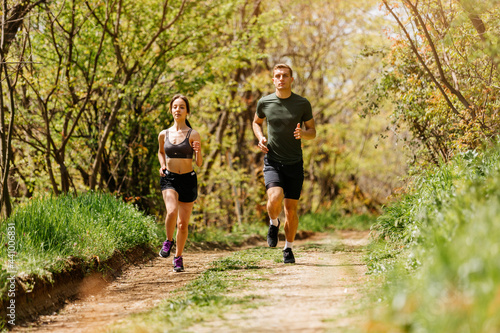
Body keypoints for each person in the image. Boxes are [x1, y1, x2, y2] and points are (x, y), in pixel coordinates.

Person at [252, 64, 316, 264]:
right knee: (275, 196)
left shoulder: (302, 104)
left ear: (291, 79)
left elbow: (312, 131)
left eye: (285, 76)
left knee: (291, 210)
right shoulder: (265, 102)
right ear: (273, 80)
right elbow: (256, 122)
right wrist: (261, 137)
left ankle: (288, 248)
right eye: (277, 76)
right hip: (273, 160)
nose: (281, 79)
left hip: (295, 163)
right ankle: (273, 223)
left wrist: (303, 134)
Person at [158, 94, 203, 272]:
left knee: (183, 224)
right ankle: (168, 241)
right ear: (171, 110)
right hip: (169, 178)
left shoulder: (193, 134)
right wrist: (162, 165)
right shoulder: (164, 134)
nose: (178, 110)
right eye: (175, 106)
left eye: (181, 107)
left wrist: (198, 152)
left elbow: (199, 163)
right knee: (171, 211)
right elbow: (161, 152)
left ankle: (178, 257)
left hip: (188, 179)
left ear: (187, 111)